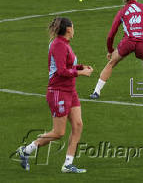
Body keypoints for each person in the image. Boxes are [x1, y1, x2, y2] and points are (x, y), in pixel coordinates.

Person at [16, 17, 93, 173]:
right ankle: (26, 150)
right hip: (58, 91)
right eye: (73, 26)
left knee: (78, 125)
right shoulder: (58, 45)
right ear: (69, 29)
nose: (74, 29)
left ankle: (68, 164)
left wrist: (80, 66)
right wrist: (81, 72)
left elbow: (67, 65)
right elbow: (61, 71)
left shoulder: (65, 44)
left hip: (70, 91)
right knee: (59, 132)